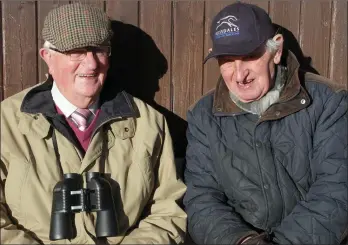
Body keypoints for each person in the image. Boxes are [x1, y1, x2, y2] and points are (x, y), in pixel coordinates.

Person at [0, 3, 186, 244]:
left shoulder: (148, 123)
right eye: (76, 51)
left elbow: (167, 212)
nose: (91, 64)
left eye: (99, 50)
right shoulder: (7, 122)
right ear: (48, 57)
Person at [183, 2, 347, 245]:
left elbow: (337, 191)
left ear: (276, 50)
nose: (239, 75)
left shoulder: (328, 102)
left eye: (249, 56)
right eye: (227, 60)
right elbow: (202, 199)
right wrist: (241, 241)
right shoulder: (203, 116)